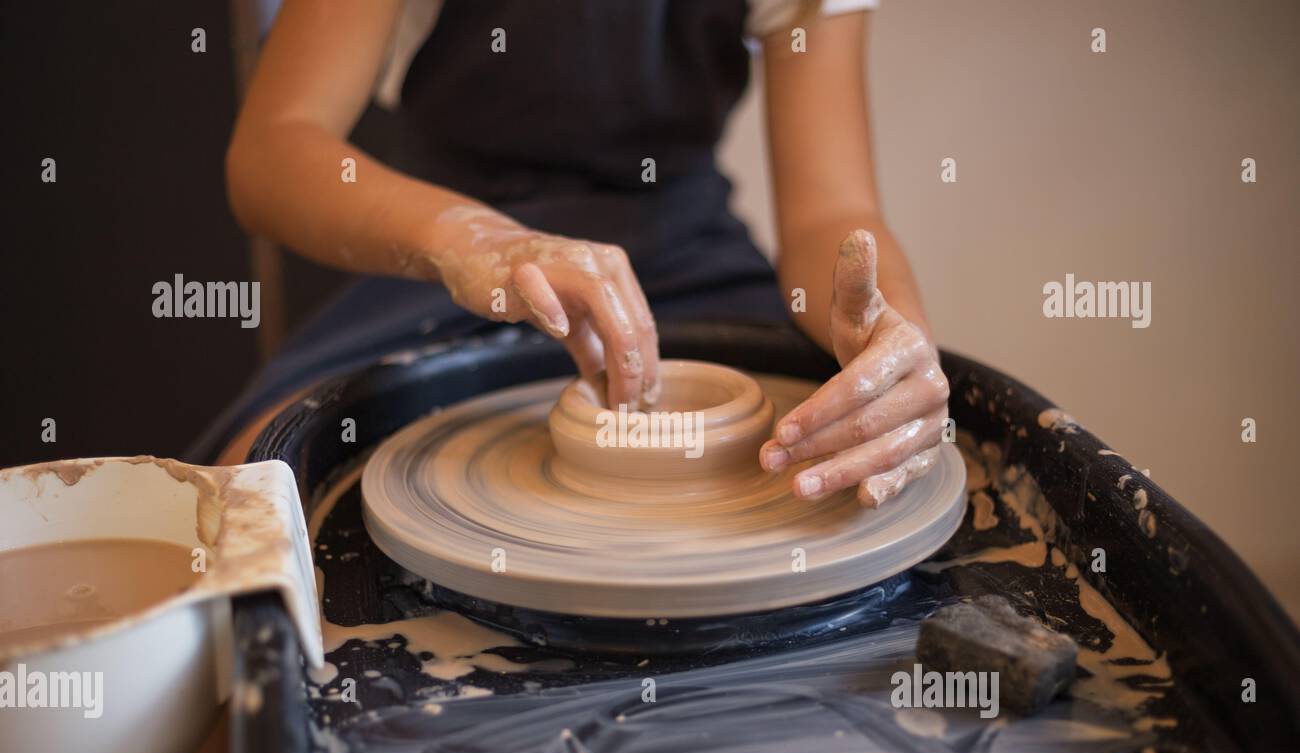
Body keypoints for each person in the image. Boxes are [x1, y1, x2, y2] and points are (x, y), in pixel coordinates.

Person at [204, 0, 949, 507]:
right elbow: (272, 151)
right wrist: (476, 242)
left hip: (684, 244)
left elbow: (832, 212)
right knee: (253, 487)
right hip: (456, 252)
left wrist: (889, 334)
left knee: (888, 465)